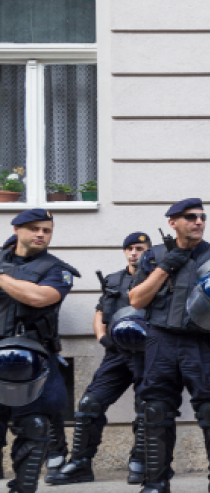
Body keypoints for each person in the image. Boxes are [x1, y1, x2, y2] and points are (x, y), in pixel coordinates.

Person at [130, 198, 210, 493]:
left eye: (202, 217)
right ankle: (155, 484)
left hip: (202, 344)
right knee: (155, 411)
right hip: (161, 342)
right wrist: (166, 267)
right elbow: (136, 300)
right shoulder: (154, 257)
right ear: (173, 223)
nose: (198, 222)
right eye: (191, 217)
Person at [47, 232, 153, 486]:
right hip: (116, 354)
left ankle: (142, 461)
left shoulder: (158, 278)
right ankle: (81, 464)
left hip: (149, 354)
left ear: (149, 251)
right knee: (88, 405)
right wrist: (102, 337)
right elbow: (100, 312)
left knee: (148, 410)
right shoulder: (113, 279)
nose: (134, 252)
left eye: (139, 248)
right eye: (129, 248)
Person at [0, 209, 79, 493]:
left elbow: (37, 297)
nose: (41, 234)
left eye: (46, 230)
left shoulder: (56, 269)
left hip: (33, 360)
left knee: (34, 427)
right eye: (34, 228)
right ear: (17, 229)